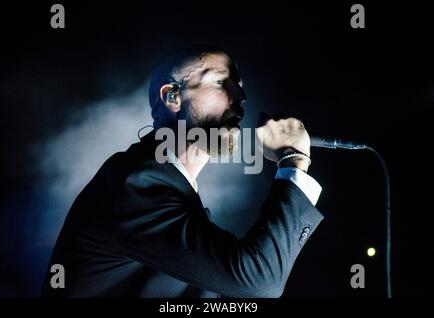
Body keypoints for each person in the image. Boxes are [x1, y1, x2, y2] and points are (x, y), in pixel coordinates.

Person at [42, 45, 323, 298]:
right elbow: (260, 281)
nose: (241, 97)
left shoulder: (175, 200)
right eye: (219, 82)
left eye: (239, 86)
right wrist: (294, 161)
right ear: (173, 96)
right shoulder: (133, 185)